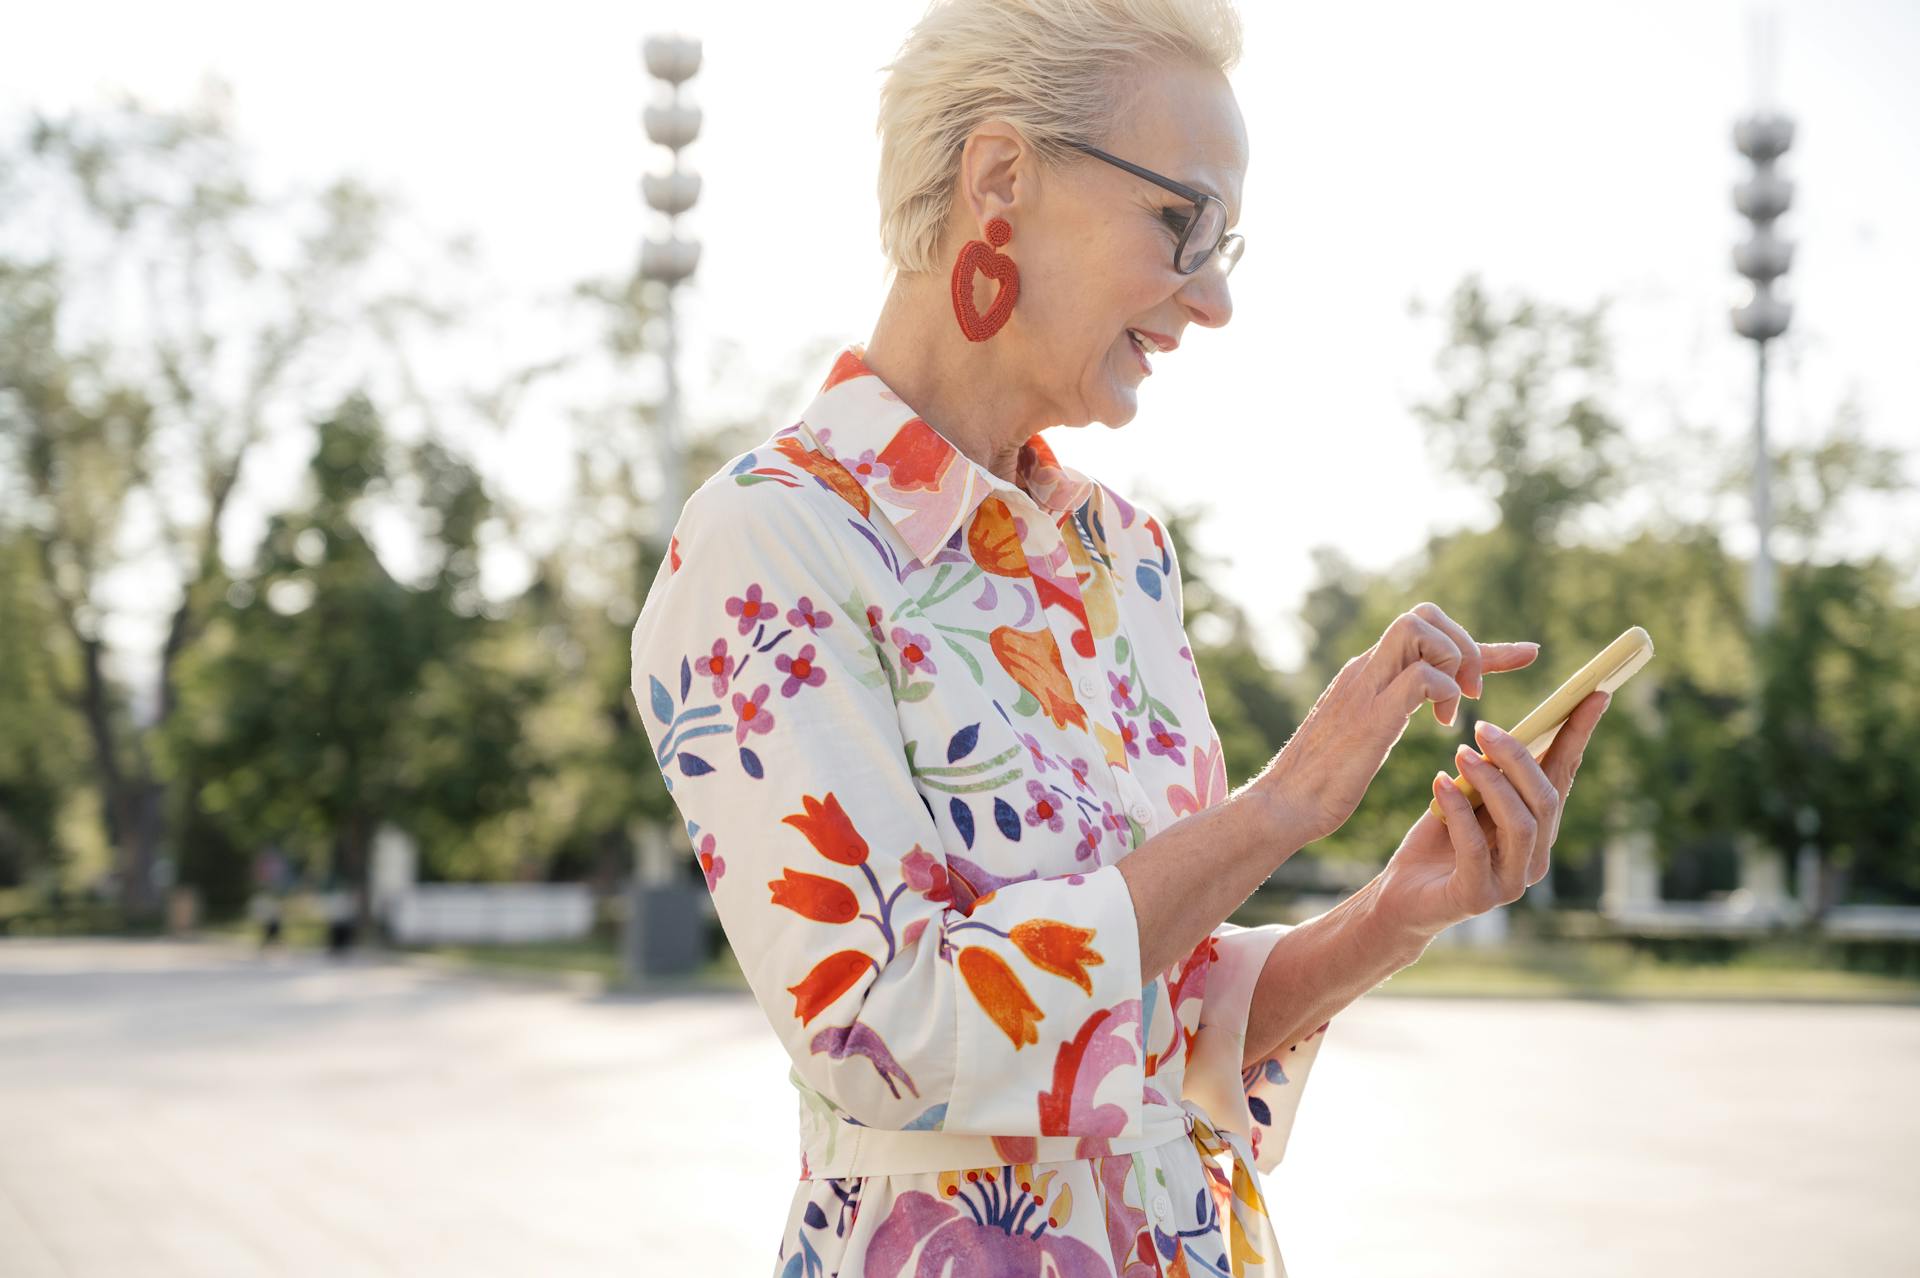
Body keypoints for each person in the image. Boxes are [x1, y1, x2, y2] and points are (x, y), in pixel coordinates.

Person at [628, 2, 1614, 1273]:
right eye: (1181, 224)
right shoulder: (770, 542)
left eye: (1228, 244)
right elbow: (887, 1035)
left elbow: (1163, 1015)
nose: (1212, 301)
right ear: (1000, 180)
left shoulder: (1125, 558)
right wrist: (1282, 807)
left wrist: (1399, 910)